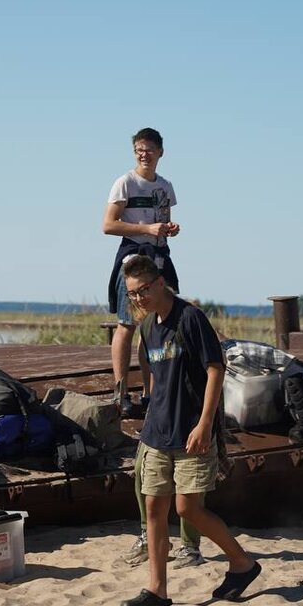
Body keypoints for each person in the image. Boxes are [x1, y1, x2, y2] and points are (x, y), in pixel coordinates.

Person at [117, 256, 263, 606]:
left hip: (191, 433)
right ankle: (157, 589)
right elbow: (152, 373)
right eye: (133, 294)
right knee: (153, 507)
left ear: (161, 281)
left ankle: (242, 563)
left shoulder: (191, 318)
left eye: (144, 290)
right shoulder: (148, 325)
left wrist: (204, 424)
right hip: (157, 433)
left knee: (188, 508)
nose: (139, 299)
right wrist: (148, 409)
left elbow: (216, 370)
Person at [103, 128, 201, 569]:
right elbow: (108, 224)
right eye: (138, 149)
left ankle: (154, 385)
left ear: (160, 152)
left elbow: (164, 226)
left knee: (166, 321)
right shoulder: (125, 183)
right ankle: (122, 388)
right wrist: (146, 227)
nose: (144, 154)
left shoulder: (166, 187)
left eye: (150, 149)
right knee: (127, 322)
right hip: (132, 254)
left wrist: (167, 229)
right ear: (135, 153)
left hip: (160, 254)